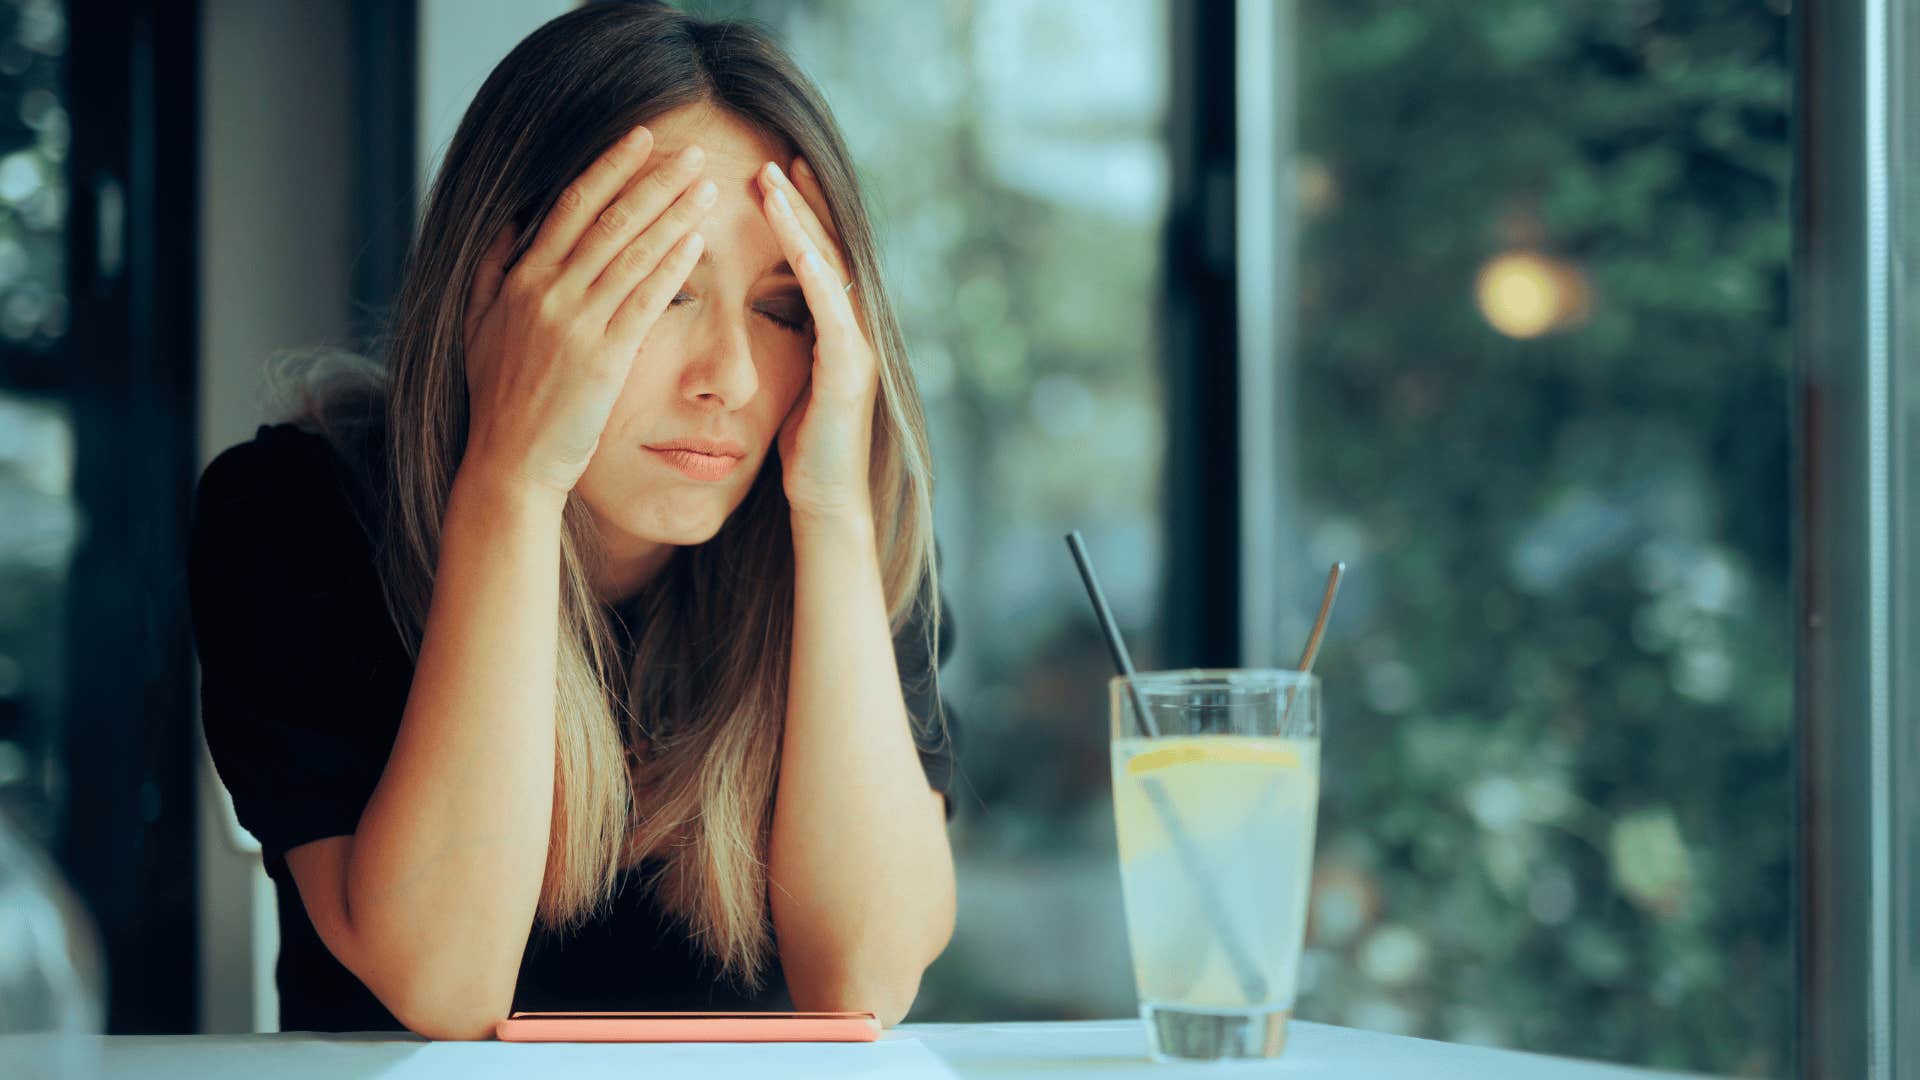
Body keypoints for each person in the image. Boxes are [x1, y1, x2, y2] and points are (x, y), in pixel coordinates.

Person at [187, 1, 959, 1040]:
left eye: (782, 310)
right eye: (659, 291)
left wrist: (829, 513)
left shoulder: (843, 536)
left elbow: (863, 984)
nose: (729, 378)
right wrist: (512, 475)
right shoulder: (294, 515)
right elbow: (446, 986)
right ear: (500, 291)